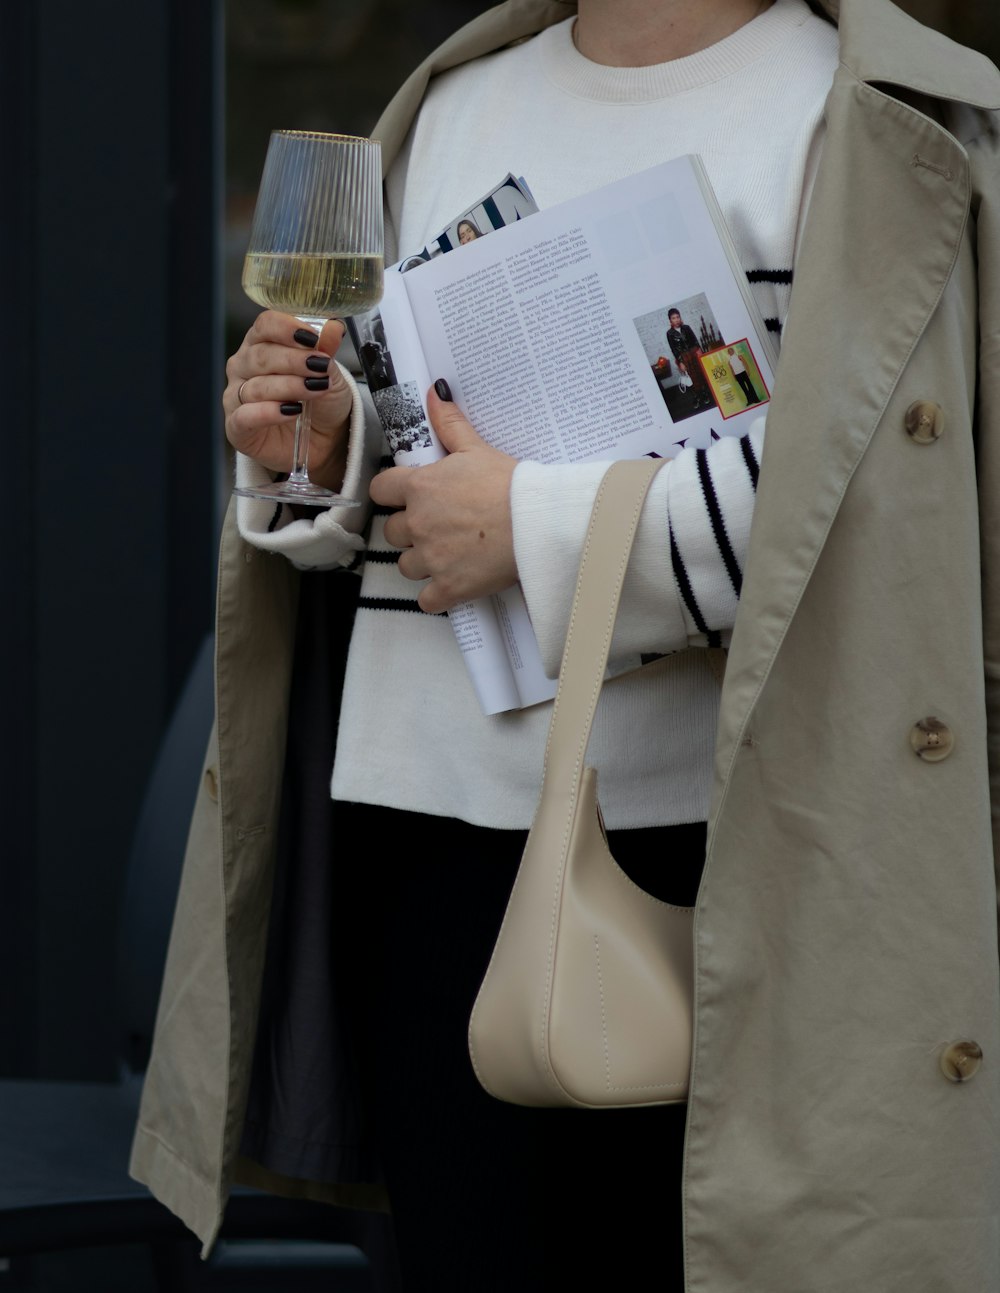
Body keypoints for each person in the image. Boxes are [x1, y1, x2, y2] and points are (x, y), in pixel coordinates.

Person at [131, 0, 1000, 1289]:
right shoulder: (449, 103)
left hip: (738, 842)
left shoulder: (881, 114)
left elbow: (884, 498)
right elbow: (392, 451)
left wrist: (536, 528)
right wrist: (309, 452)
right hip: (418, 829)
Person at [665, 306, 712, 408]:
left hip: (693, 353)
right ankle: (696, 397)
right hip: (683, 357)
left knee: (699, 374)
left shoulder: (686, 327)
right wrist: (680, 362)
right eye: (673, 318)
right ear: (670, 320)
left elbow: (695, 340)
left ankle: (704, 393)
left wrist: (699, 351)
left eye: (678, 317)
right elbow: (674, 349)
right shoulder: (669, 334)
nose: (676, 320)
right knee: (689, 378)